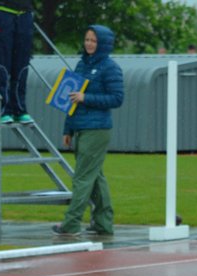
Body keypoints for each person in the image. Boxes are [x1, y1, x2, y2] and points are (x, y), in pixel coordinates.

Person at [52, 25, 123, 238]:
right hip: (80, 127)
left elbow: (117, 98)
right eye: (87, 39)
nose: (89, 43)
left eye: (93, 40)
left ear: (103, 44)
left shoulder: (110, 68)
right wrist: (68, 129)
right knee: (95, 178)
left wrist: (87, 98)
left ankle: (71, 223)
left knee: (82, 178)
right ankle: (103, 223)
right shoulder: (81, 64)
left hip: (97, 129)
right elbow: (70, 97)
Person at [0, 0, 34, 125]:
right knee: (1, 64)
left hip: (25, 12)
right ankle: (3, 110)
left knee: (22, 64)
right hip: (2, 11)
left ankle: (20, 109)